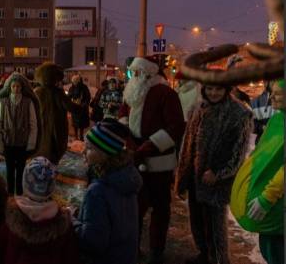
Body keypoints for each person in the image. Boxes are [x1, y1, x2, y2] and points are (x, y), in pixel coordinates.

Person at [175, 82, 252, 264]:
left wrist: (218, 173)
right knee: (197, 221)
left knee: (214, 226)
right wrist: (182, 173)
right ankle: (204, 254)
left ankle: (218, 260)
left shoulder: (238, 113)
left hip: (215, 181)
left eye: (218, 88)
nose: (213, 92)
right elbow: (188, 143)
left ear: (226, 89)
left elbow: (237, 152)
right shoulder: (198, 108)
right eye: (209, 88)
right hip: (195, 176)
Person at [119, 56, 185, 264]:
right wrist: (129, 143)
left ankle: (157, 250)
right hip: (134, 157)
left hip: (158, 162)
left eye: (137, 73)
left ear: (149, 73)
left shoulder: (166, 94)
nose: (134, 77)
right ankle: (133, 246)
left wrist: (148, 147)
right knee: (134, 207)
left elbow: (175, 127)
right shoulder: (130, 93)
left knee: (160, 207)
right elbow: (122, 118)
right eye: (132, 73)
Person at [230, 80, 284, 264]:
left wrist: (267, 197)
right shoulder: (277, 119)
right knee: (270, 250)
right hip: (270, 203)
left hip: (276, 202)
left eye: (277, 93)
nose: (271, 97)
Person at [74, 122, 142, 264]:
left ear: (104, 153)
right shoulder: (126, 178)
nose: (83, 152)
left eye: (89, 148)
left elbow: (92, 242)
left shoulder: (97, 191)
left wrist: (72, 222)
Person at [0, 156, 80, 264]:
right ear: (51, 187)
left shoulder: (11, 216)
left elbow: (0, 250)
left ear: (25, 183)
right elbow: (70, 257)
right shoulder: (64, 223)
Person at [0, 72, 40, 195]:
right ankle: (9, 197)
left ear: (22, 87)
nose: (16, 89)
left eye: (18, 86)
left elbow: (33, 124)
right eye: (13, 86)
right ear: (10, 87)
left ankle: (19, 196)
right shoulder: (3, 102)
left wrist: (31, 144)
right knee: (9, 172)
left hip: (22, 144)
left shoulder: (28, 102)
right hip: (8, 143)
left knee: (20, 172)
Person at [33, 62, 84, 164]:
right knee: (54, 152)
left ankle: (40, 170)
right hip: (57, 127)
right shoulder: (57, 92)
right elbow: (71, 107)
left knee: (42, 150)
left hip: (40, 126)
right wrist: (81, 107)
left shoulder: (37, 92)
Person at [68, 75, 91, 140]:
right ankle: (76, 136)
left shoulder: (84, 87)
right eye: (73, 82)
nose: (74, 83)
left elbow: (88, 97)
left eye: (76, 81)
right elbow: (69, 96)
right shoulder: (71, 88)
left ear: (78, 81)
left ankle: (81, 136)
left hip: (82, 108)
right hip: (75, 107)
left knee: (81, 123)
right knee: (75, 123)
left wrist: (84, 104)